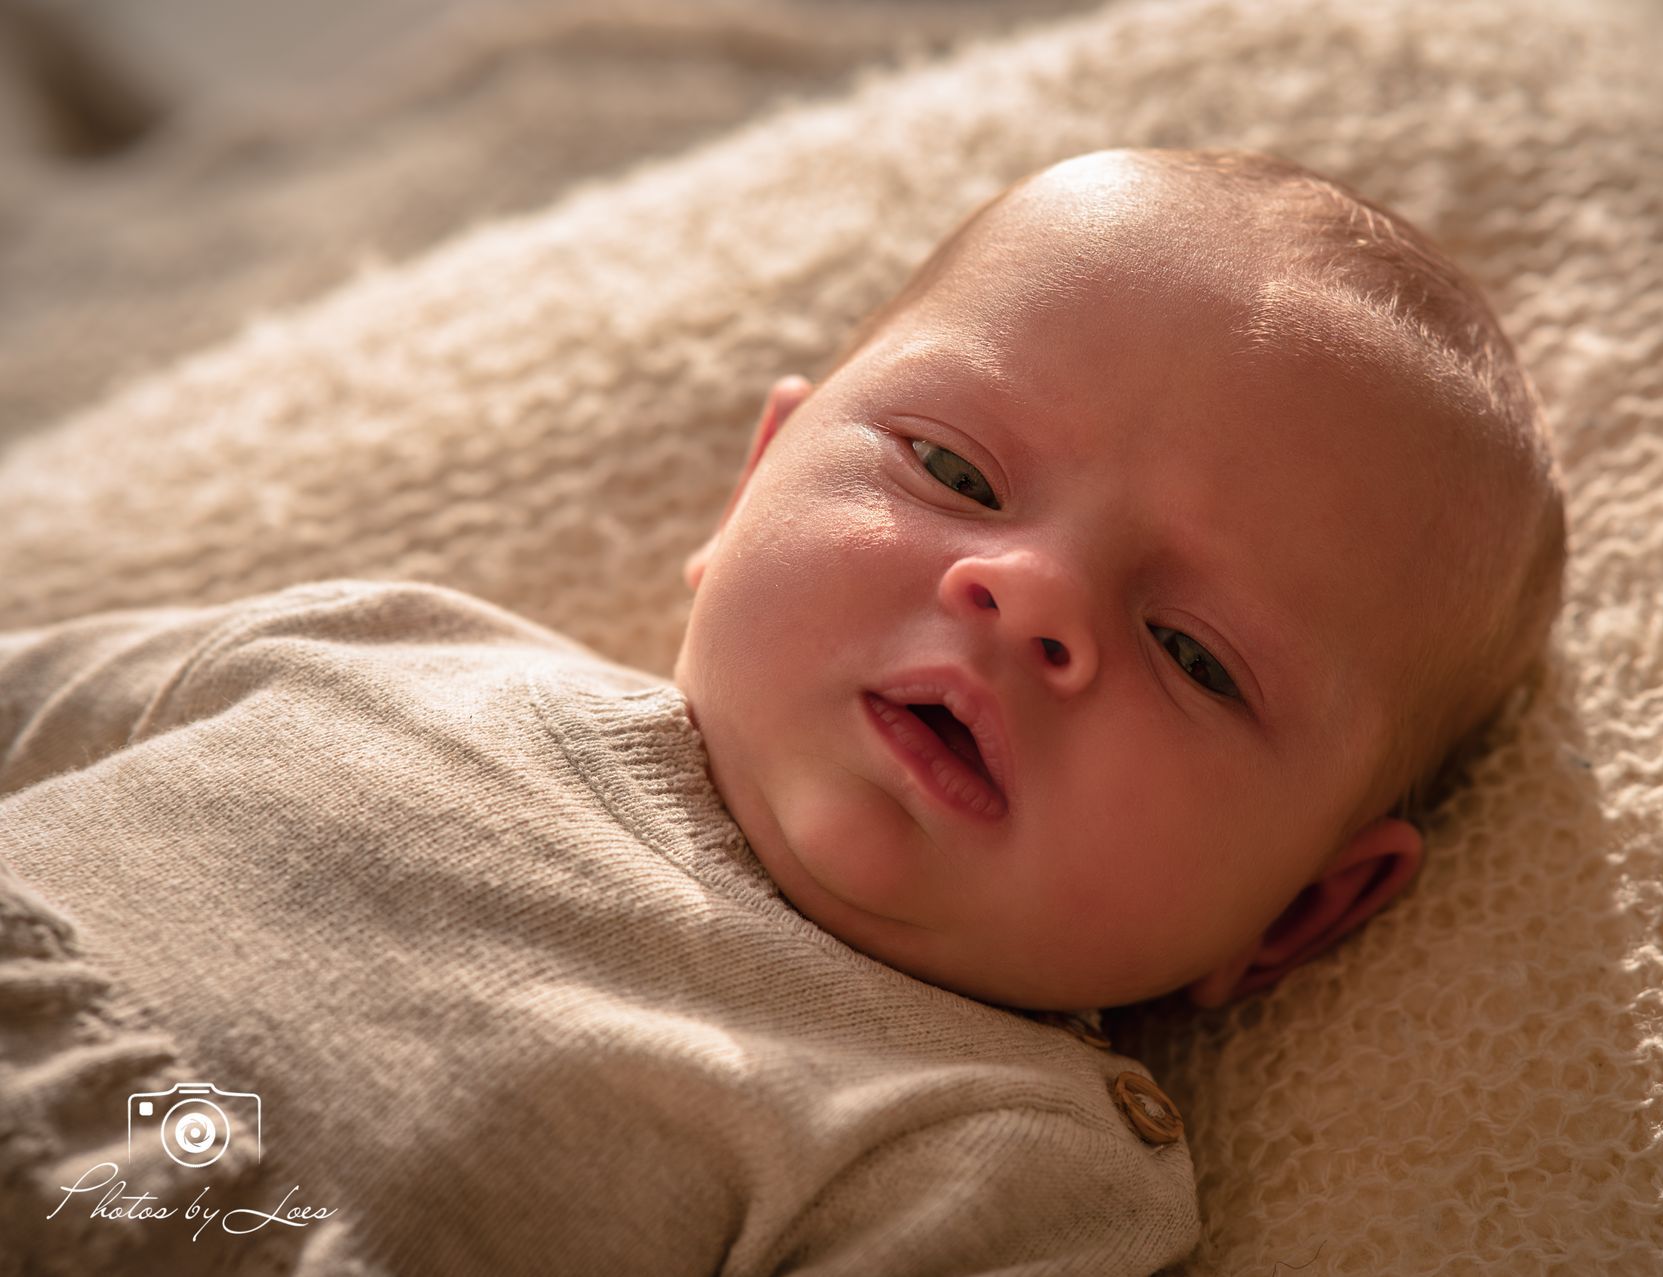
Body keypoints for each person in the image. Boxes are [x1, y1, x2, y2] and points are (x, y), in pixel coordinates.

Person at [0, 147, 1564, 1275]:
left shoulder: (986, 1150)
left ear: (1300, 912)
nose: (1029, 593)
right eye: (952, 471)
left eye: (1193, 653)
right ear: (756, 482)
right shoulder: (396, 650)